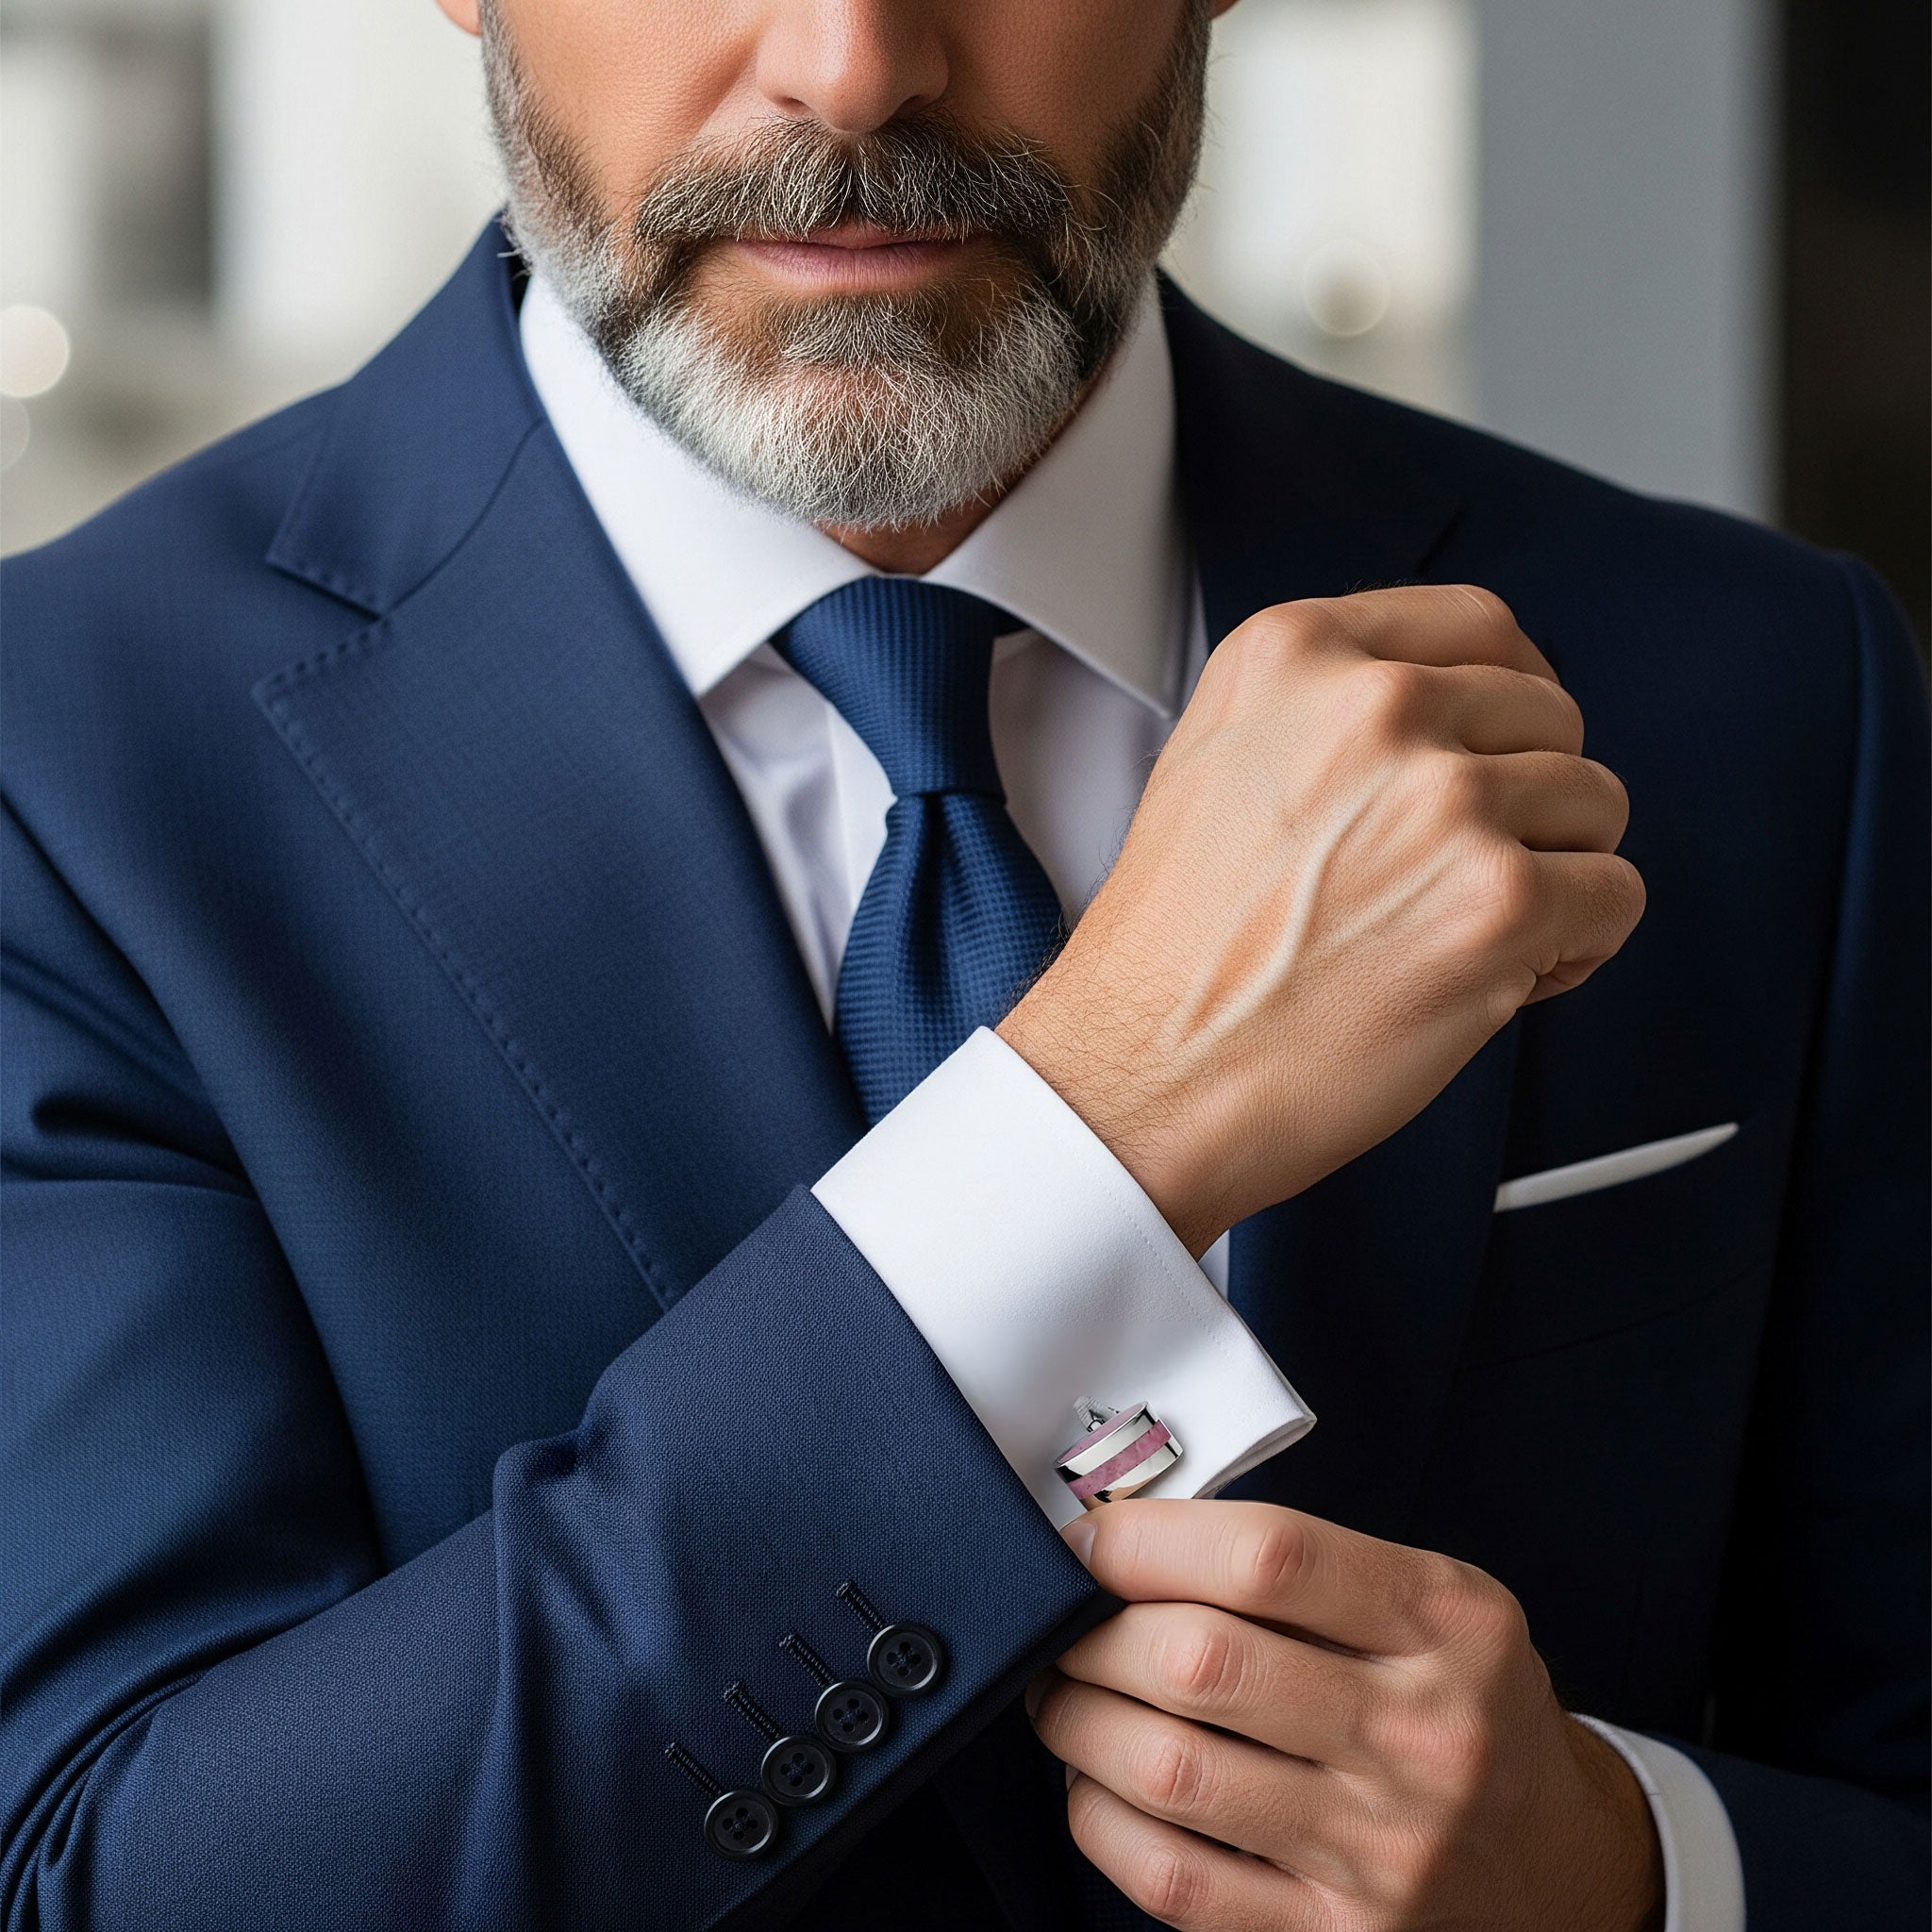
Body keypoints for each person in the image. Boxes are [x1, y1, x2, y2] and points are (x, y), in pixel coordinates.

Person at [2, 0, 1924, 1925]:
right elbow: (119, 1880)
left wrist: (1626, 1870)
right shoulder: (58, 768)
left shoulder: (1759, 695)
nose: (852, 66)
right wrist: (1102, 1117)